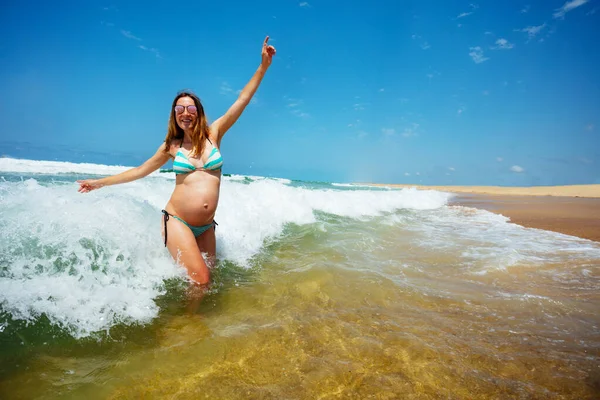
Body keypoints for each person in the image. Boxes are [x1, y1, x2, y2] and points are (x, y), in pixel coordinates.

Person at [77, 36, 276, 286]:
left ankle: (192, 322)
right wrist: (99, 183)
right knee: (201, 280)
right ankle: (186, 324)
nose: (185, 114)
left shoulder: (214, 134)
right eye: (180, 109)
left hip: (206, 227)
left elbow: (242, 100)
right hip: (178, 221)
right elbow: (140, 171)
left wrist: (263, 66)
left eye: (191, 109)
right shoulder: (171, 146)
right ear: (174, 115)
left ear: (199, 113)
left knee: (208, 282)